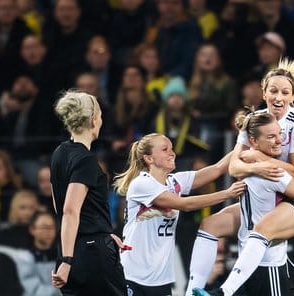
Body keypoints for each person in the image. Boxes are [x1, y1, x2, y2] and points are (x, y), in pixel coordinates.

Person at [185, 58, 294, 295]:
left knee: (261, 231)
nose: (279, 97)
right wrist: (256, 166)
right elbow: (235, 168)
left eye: (285, 92)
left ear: (292, 95)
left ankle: (223, 292)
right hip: (268, 189)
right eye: (273, 90)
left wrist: (257, 159)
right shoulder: (255, 122)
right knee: (209, 224)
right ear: (263, 91)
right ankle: (192, 291)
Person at [203, 111, 294, 296]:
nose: (279, 141)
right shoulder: (274, 171)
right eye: (272, 136)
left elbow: (230, 167)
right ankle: (221, 292)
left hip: (250, 263)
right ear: (254, 141)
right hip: (264, 264)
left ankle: (203, 289)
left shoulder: (244, 162)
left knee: (208, 225)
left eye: (280, 135)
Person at [113, 133, 245, 296]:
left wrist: (244, 141)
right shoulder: (142, 184)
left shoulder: (174, 182)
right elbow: (185, 204)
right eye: (165, 149)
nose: (172, 153)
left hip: (160, 279)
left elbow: (217, 169)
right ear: (149, 159)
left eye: (172, 149)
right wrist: (227, 194)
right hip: (133, 275)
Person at [50, 90, 127, 294]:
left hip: (71, 249)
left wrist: (103, 230)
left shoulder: (59, 153)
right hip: (91, 253)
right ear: (93, 120)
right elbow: (70, 210)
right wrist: (68, 260)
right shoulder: (86, 160)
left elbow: (58, 206)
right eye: (100, 116)